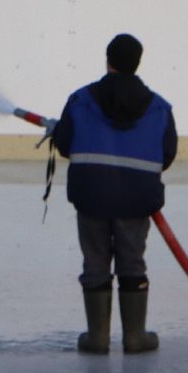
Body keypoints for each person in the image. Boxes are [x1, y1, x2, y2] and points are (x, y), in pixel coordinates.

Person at [49, 34, 178, 355]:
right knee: (132, 260)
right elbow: (167, 154)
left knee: (95, 260)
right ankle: (135, 337)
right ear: (138, 63)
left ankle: (98, 338)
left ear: (108, 61)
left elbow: (65, 144)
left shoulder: (80, 100)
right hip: (136, 200)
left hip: (91, 195)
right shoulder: (160, 108)